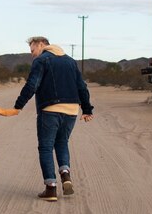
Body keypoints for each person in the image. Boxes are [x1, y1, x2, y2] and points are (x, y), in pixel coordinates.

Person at [14, 36, 94, 201]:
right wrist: (86, 108)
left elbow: (32, 85)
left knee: (45, 147)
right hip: (71, 110)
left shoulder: (42, 60)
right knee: (62, 143)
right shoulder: (71, 61)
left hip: (50, 109)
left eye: (33, 50)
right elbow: (82, 86)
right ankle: (65, 174)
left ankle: (51, 188)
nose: (32, 54)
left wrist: (18, 105)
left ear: (42, 44)